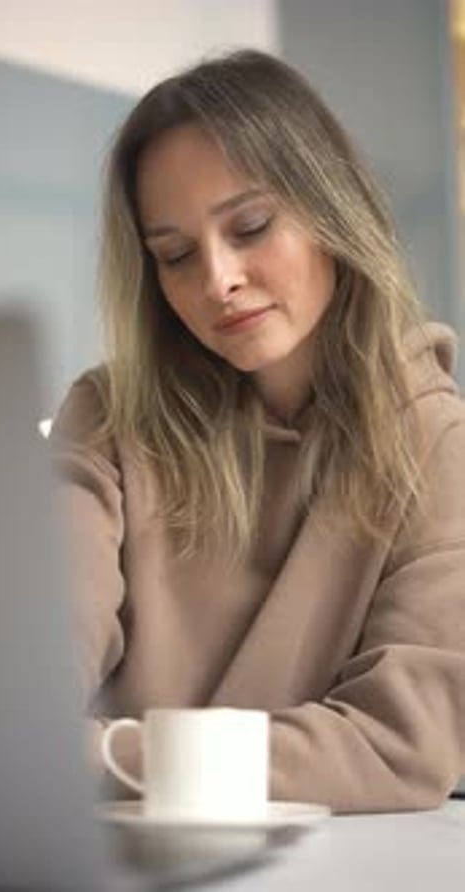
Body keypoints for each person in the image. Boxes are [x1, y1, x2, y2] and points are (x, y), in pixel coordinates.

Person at [51, 48, 465, 814]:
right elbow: (40, 644)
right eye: (174, 255)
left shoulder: (436, 439)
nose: (216, 281)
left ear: (331, 211)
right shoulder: (108, 415)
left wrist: (106, 753)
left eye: (250, 226)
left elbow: (401, 746)